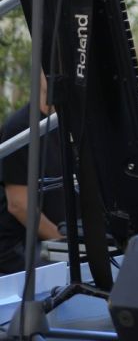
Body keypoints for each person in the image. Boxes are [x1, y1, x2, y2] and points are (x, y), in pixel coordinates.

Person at [0, 73, 64, 274]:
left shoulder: (75, 126)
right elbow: (19, 205)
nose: (57, 73)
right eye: (49, 67)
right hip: (23, 246)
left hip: (63, 238)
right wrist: (65, 243)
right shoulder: (19, 129)